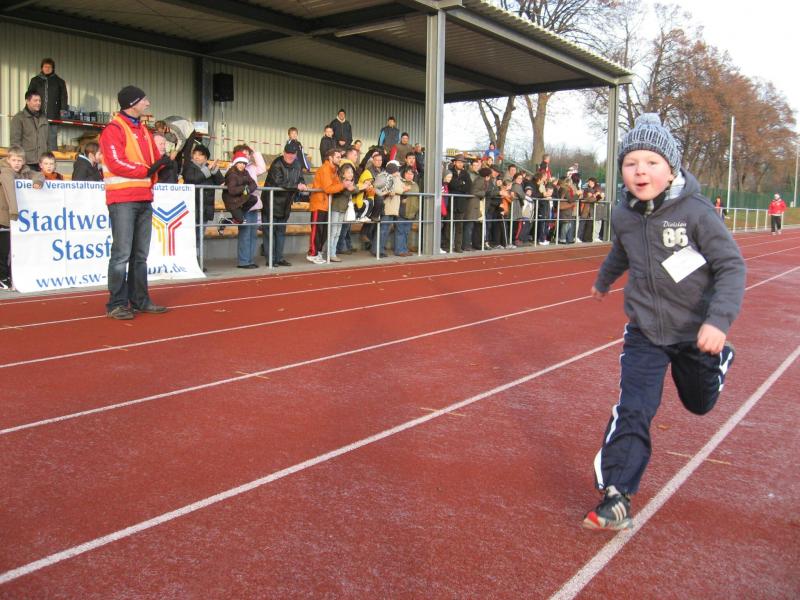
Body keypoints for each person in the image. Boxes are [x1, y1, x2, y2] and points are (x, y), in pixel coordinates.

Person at [583, 113, 745, 531]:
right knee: (633, 407)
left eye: (652, 162)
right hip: (645, 332)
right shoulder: (623, 214)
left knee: (699, 404)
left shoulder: (697, 212)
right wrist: (603, 281)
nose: (641, 171)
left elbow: (731, 266)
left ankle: (719, 361)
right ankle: (617, 494)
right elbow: (621, 251)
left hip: (694, 332)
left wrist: (718, 322)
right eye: (631, 163)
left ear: (671, 168)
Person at [99, 85, 171, 319]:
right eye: (144, 100)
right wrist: (147, 171)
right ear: (132, 103)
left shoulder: (144, 131)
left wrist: (161, 165)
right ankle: (116, 303)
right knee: (121, 254)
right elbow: (116, 162)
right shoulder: (114, 129)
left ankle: (140, 299)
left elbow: (153, 161)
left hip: (143, 198)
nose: (147, 103)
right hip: (122, 199)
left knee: (140, 255)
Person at [0, 145, 44, 289]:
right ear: (8, 160)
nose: (17, 163)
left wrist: (38, 181)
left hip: (14, 217)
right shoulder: (5, 172)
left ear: (23, 161)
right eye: (14, 160)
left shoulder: (25, 171)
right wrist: (14, 211)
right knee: (4, 249)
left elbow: (38, 175)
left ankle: (8, 275)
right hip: (5, 216)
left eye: (19, 160)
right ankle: (2, 277)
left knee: (13, 249)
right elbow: (9, 191)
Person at [263, 142, 307, 267]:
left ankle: (279, 258)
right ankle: (270, 259)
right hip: (271, 203)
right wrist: (296, 186)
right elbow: (279, 182)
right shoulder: (277, 164)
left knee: (281, 232)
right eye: (288, 153)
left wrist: (302, 184)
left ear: (296, 154)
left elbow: (300, 178)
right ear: (284, 153)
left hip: (285, 204)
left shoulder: (297, 164)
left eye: (293, 154)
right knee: (270, 232)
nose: (290, 156)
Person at [309, 149, 349, 264]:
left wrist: (343, 184)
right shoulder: (325, 169)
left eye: (340, 157)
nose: (340, 159)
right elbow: (328, 188)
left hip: (326, 204)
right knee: (317, 231)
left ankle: (318, 252)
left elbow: (335, 185)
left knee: (323, 231)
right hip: (319, 203)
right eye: (337, 157)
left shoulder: (334, 169)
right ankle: (312, 253)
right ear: (330, 158)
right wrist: (343, 185)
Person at [182, 144, 223, 247]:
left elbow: (220, 182)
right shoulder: (188, 166)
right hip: (192, 208)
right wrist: (207, 170)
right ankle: (192, 256)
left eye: (200, 155)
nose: (196, 156)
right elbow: (192, 179)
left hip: (205, 209)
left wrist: (215, 171)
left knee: (200, 236)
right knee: (190, 237)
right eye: (195, 154)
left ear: (206, 158)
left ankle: (198, 256)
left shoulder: (208, 167)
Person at [233, 145, 266, 268]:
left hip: (254, 204)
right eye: (244, 153)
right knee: (245, 234)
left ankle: (250, 260)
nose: (246, 156)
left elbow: (262, 168)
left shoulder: (251, 167)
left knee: (253, 234)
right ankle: (243, 261)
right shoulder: (234, 168)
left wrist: (255, 152)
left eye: (248, 153)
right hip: (243, 205)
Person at [27, 58, 68, 151]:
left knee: (52, 138)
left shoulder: (59, 81)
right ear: (42, 68)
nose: (47, 68)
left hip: (53, 114)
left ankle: (52, 156)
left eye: (49, 67)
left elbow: (64, 97)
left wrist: (63, 110)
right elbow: (29, 95)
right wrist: (29, 109)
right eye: (45, 66)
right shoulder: (35, 80)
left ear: (53, 68)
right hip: (37, 115)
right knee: (36, 137)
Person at [10, 90, 49, 171]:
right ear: (27, 101)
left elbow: (48, 140)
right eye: (35, 100)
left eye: (40, 101)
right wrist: (19, 161)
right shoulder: (19, 118)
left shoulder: (44, 118)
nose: (38, 103)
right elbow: (15, 142)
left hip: (42, 163)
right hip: (27, 164)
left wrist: (48, 159)